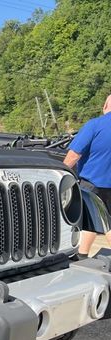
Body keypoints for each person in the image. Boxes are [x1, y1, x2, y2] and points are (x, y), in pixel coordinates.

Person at [63, 94, 111, 258]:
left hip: (91, 185)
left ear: (105, 105)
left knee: (95, 221)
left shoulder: (95, 125)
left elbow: (74, 155)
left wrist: (60, 174)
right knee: (100, 222)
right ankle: (82, 254)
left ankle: (82, 255)